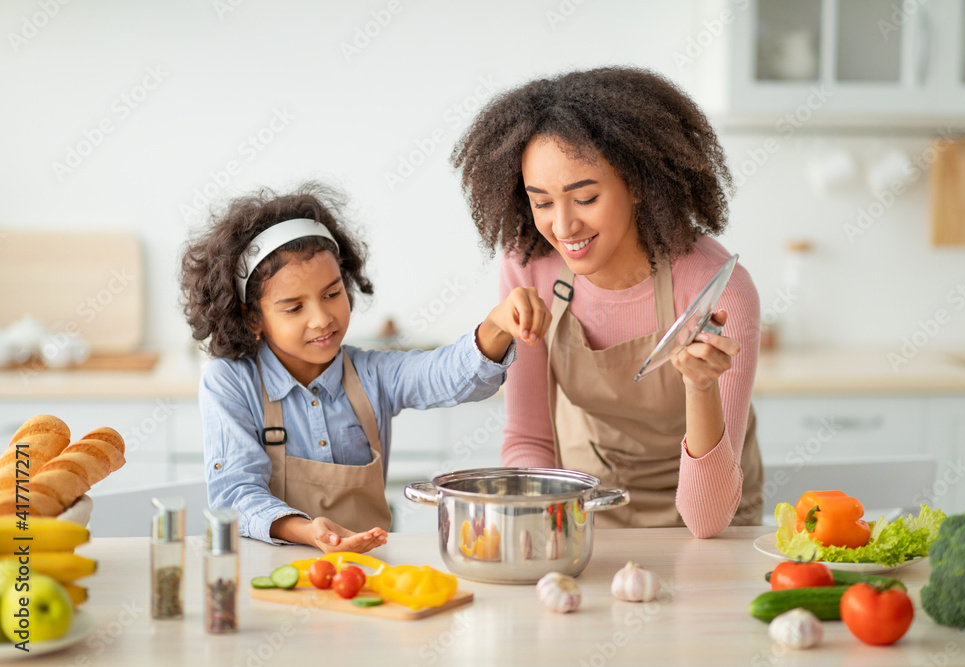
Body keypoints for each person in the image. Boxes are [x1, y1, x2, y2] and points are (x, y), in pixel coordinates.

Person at [451, 67, 763, 538]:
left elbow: (708, 518)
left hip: (711, 511)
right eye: (542, 203)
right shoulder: (529, 268)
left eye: (586, 197)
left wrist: (700, 388)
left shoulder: (717, 291)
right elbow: (529, 437)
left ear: (637, 183)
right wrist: (538, 525)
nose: (563, 226)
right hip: (585, 502)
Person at [180, 183, 550, 552]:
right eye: (294, 308)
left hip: (365, 576)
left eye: (332, 293)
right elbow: (235, 494)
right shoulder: (230, 382)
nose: (322, 318)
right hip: (271, 578)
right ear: (253, 318)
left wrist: (497, 325)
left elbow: (444, 373)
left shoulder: (372, 373)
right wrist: (309, 532)